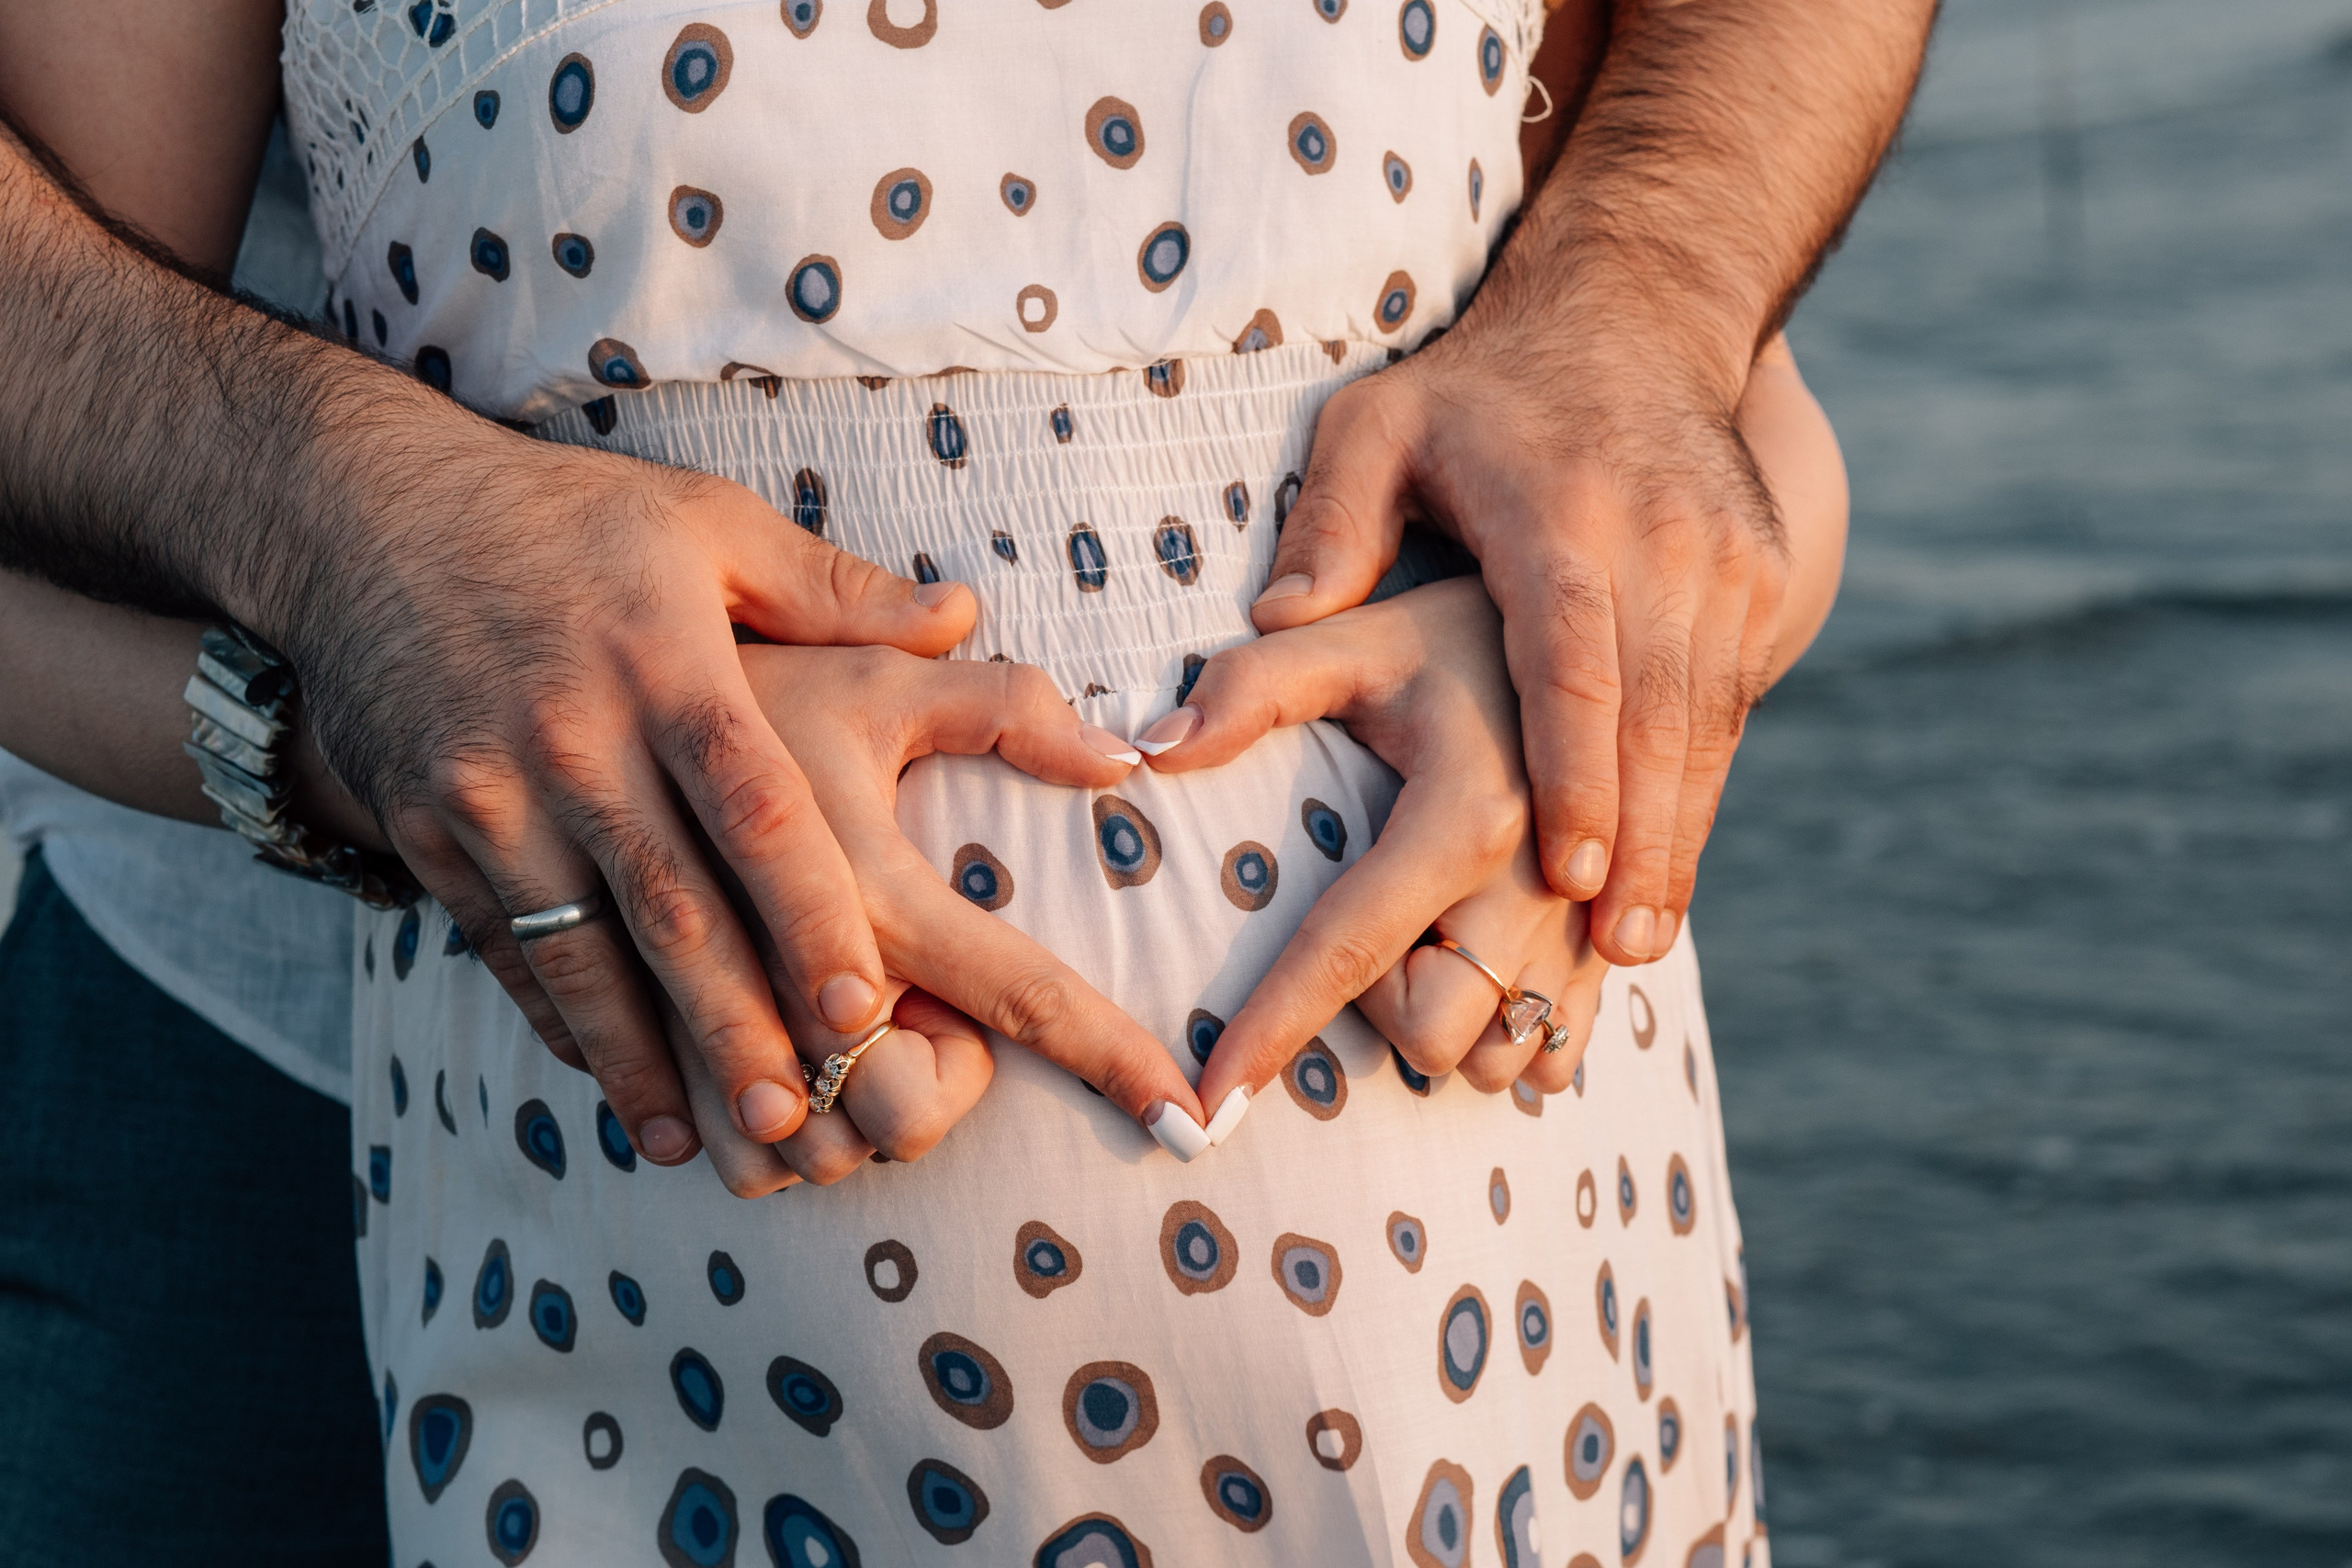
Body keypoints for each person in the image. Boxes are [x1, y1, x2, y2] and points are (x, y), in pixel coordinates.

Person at [0, 0, 1928, 1562]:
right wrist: (366, 708)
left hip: (1496, 1353)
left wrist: (1595, 666)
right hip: (548, 1268)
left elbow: (1715, 429)